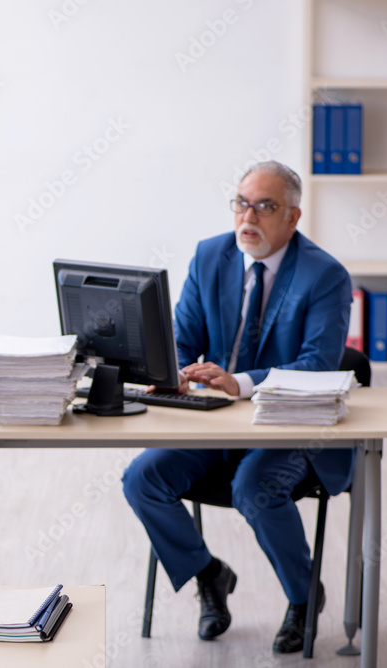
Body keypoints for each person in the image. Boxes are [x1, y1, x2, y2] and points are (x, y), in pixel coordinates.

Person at [122, 161, 353, 653]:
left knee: (255, 485)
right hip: (215, 423)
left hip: (288, 427)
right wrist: (182, 373)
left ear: (292, 218)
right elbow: (182, 340)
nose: (249, 216)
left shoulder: (325, 275)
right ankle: (209, 574)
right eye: (242, 203)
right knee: (142, 477)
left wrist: (241, 383)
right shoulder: (211, 256)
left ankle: (303, 597)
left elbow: (318, 364)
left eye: (265, 206)